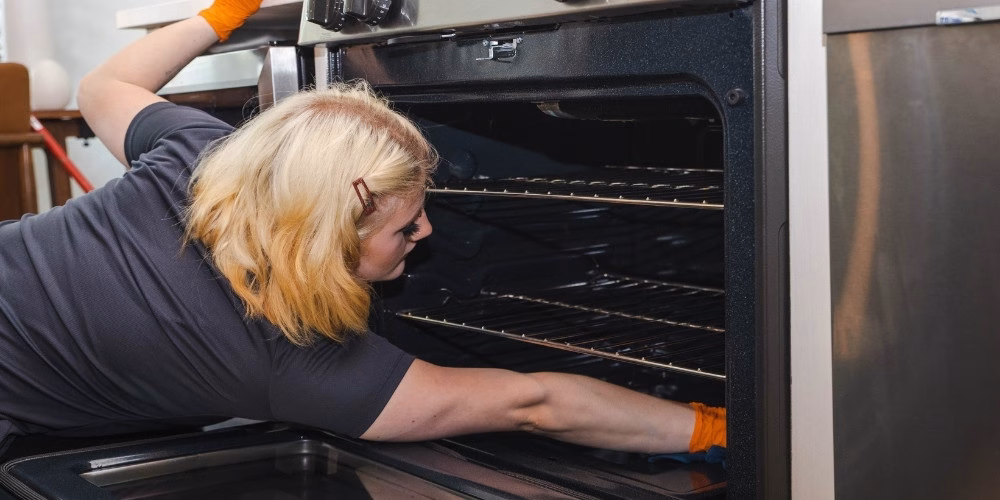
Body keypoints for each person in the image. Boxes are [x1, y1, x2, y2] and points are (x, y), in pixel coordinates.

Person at [0, 0, 725, 459]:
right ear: (330, 240)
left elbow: (101, 89)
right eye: (407, 227)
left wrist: (223, 13)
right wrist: (707, 429)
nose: (427, 231)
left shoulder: (204, 160)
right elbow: (532, 403)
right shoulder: (297, 367)